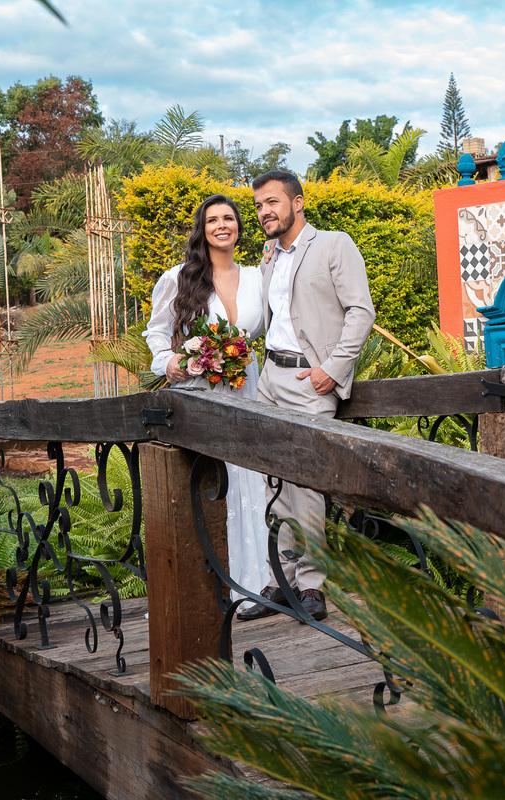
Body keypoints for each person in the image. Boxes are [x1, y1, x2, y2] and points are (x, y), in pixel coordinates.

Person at [235, 170, 375, 622]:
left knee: (309, 486)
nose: (263, 212)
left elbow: (361, 311)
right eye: (258, 205)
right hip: (269, 379)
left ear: (297, 203)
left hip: (308, 382)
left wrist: (332, 372)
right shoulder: (268, 256)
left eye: (272, 202)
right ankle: (283, 581)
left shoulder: (335, 244)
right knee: (273, 484)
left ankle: (313, 586)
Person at [143, 194, 270, 600]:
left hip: (246, 386)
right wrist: (168, 363)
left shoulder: (257, 277)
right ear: (203, 227)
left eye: (229, 218)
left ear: (238, 227)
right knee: (210, 481)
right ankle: (206, 586)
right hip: (199, 388)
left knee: (250, 476)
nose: (221, 225)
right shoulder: (179, 278)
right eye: (212, 219)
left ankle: (259, 581)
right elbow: (157, 332)